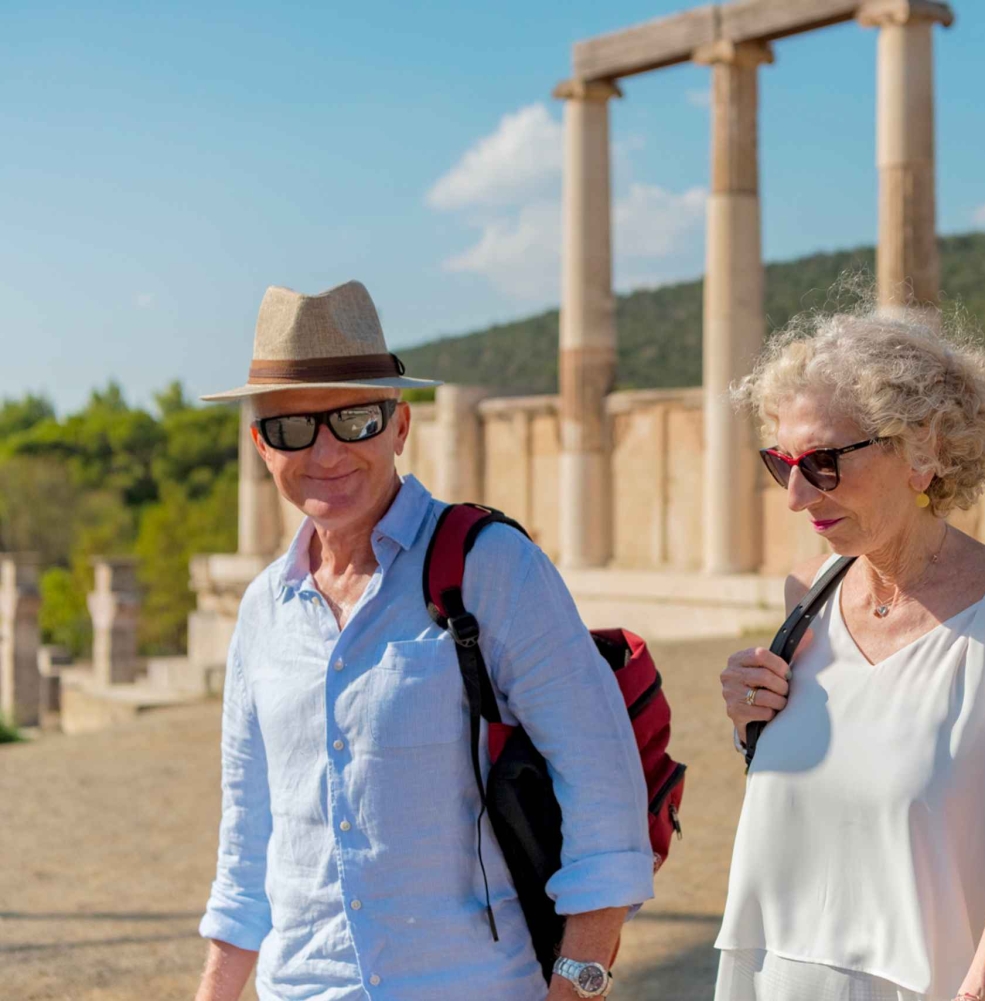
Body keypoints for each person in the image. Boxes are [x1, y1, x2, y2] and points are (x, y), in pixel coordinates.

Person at [195, 280, 652, 1001]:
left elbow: (605, 796)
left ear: (400, 425)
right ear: (261, 444)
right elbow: (248, 848)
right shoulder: (263, 611)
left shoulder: (494, 568)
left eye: (355, 419)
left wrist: (578, 987)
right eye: (291, 428)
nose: (326, 451)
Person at [713, 298, 985, 1001]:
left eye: (822, 463)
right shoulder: (806, 595)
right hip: (775, 976)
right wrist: (751, 721)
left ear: (923, 450)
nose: (795, 496)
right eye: (782, 462)